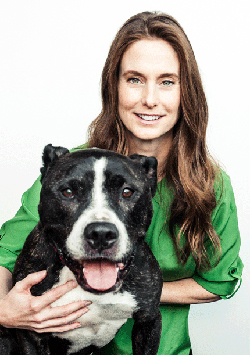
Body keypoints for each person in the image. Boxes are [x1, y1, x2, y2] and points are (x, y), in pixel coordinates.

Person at [0, 11, 243, 355]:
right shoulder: (71, 171)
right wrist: (4, 309)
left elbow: (218, 282)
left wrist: (126, 290)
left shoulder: (210, 185)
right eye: (134, 79)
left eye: (167, 81)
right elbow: (6, 253)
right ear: (113, 86)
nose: (150, 99)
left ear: (186, 92)